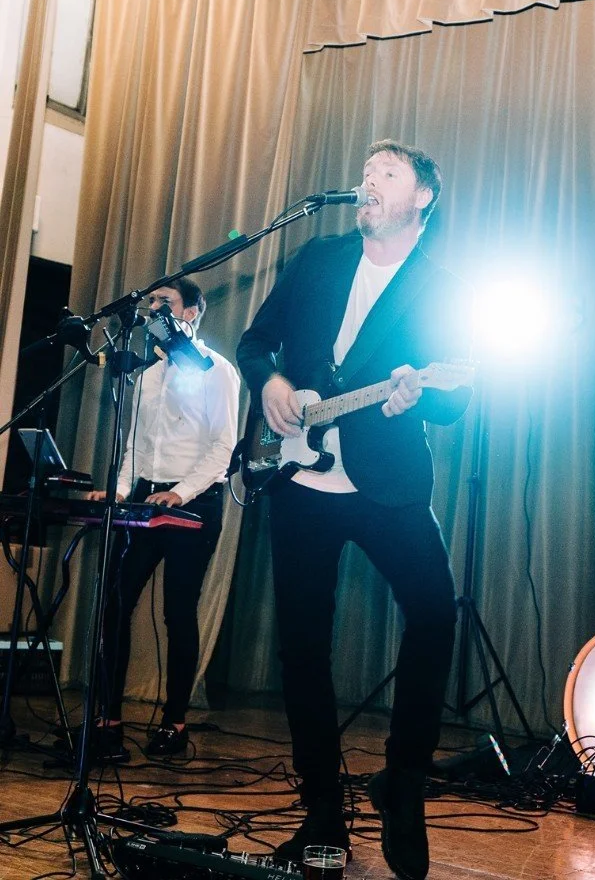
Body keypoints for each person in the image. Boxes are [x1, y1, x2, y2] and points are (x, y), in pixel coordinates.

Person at [236, 140, 472, 879]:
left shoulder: (439, 287)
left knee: (434, 613)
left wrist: (417, 394)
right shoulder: (319, 258)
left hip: (385, 482)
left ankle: (403, 781)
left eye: (388, 174)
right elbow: (255, 342)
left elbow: (455, 400)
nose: (369, 182)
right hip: (299, 479)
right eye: (367, 172)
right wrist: (272, 385)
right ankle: (321, 813)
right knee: (302, 646)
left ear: (422, 197)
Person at [91, 278, 240, 761]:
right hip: (144, 499)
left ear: (192, 313)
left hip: (194, 500)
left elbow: (223, 446)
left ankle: (175, 723)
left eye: (166, 302)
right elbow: (136, 447)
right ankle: (108, 719)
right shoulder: (149, 375)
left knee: (178, 611)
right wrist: (118, 490)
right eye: (152, 301)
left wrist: (181, 492)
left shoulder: (217, 371)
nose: (155, 308)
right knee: (116, 602)